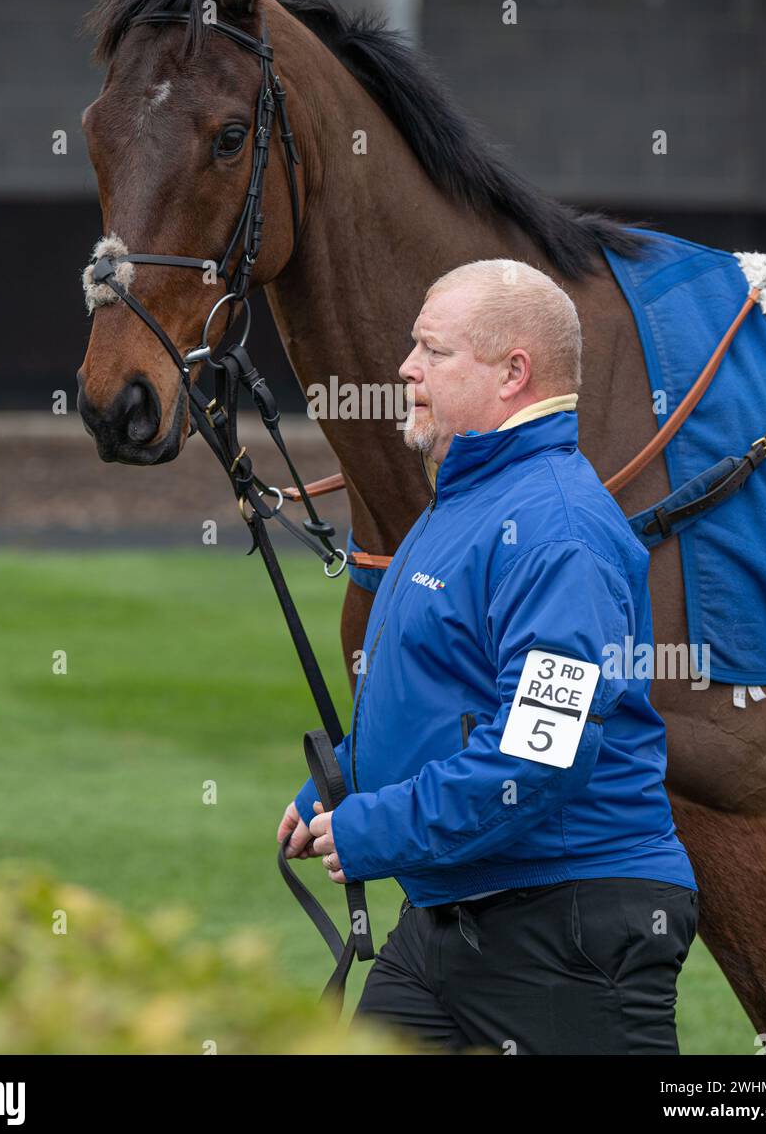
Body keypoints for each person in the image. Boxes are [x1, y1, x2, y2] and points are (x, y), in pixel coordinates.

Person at [278, 258, 698, 1054]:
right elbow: (440, 692)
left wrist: (376, 827)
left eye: (434, 351)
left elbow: (539, 756)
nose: (406, 368)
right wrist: (339, 780)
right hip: (449, 919)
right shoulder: (469, 500)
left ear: (514, 374)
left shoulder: (560, 533)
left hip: (567, 932)